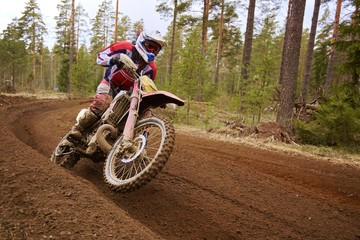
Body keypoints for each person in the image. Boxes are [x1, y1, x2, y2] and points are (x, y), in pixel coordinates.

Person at [68, 30, 167, 140]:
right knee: (102, 103)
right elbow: (100, 56)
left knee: (146, 114)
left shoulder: (151, 68)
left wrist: (155, 98)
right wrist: (113, 59)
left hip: (129, 96)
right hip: (110, 83)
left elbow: (146, 86)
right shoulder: (125, 47)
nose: (152, 50)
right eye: (150, 46)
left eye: (156, 49)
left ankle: (139, 146)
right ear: (142, 41)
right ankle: (77, 128)